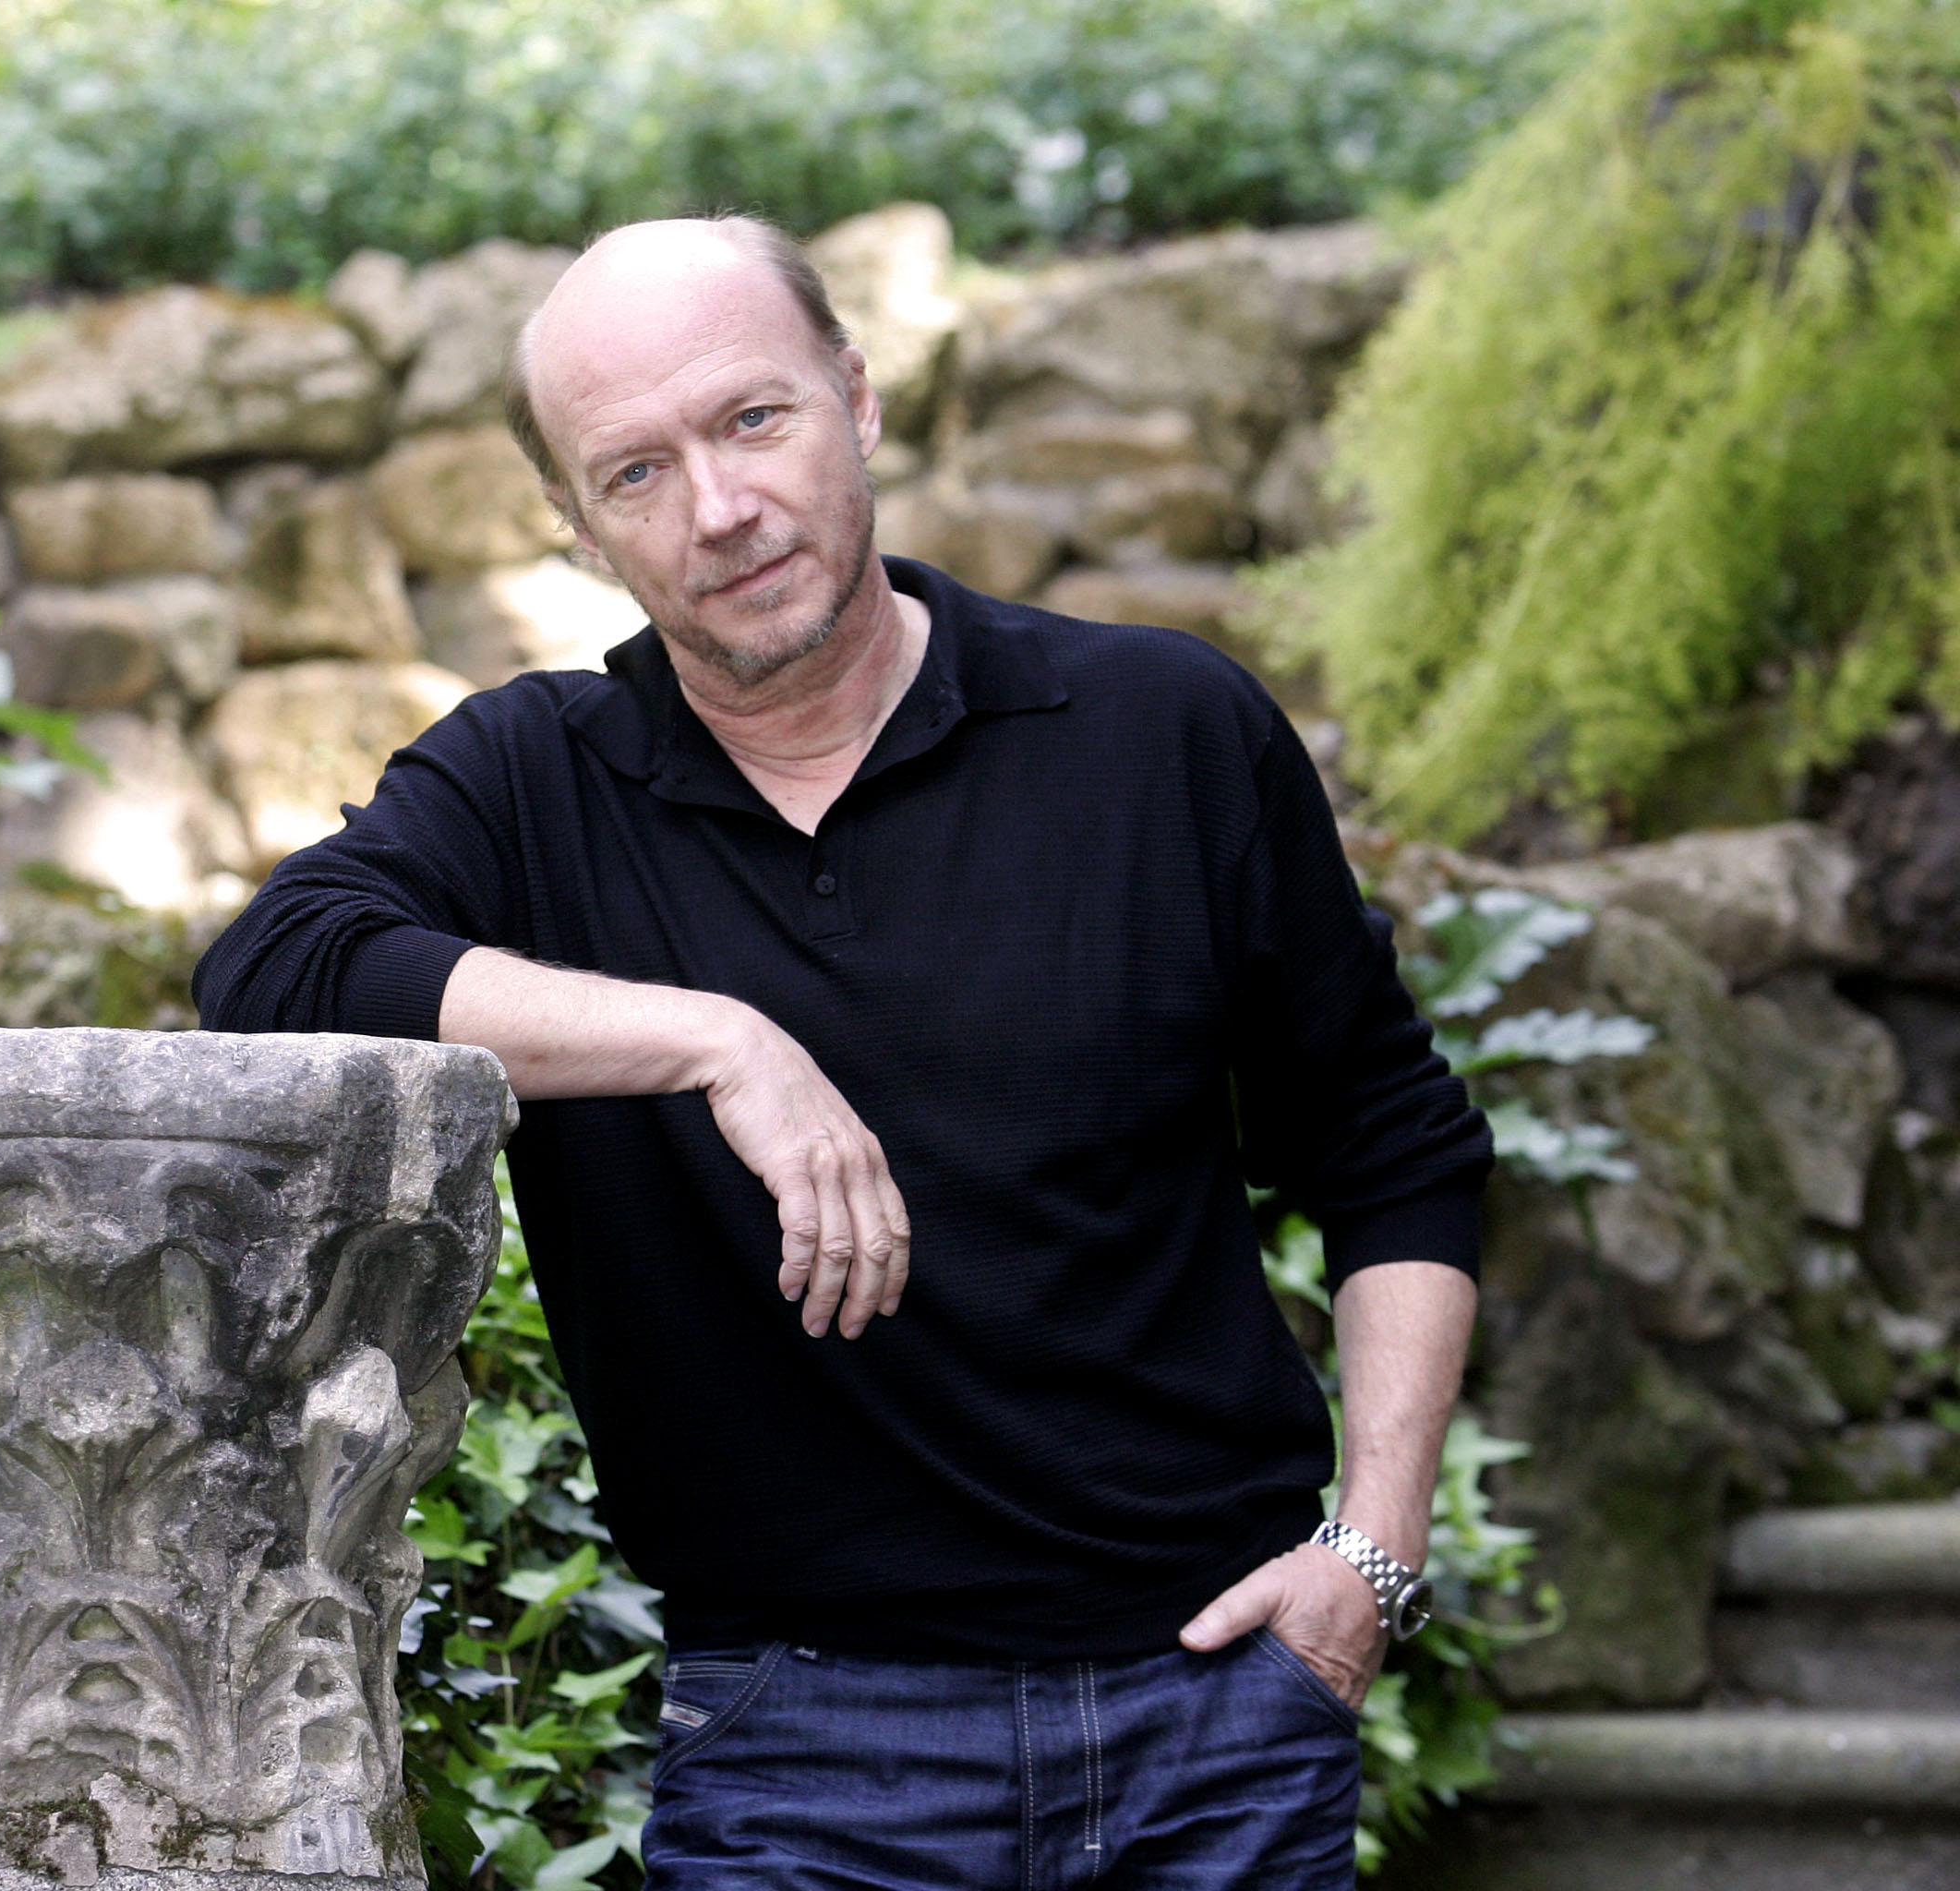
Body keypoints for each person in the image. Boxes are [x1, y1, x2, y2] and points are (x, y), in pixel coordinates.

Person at [193, 212, 1490, 1888]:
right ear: (579, 528)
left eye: (754, 420)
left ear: (857, 402)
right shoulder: (534, 784)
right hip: (805, 1754)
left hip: (1216, 1718)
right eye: (636, 472)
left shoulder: (1161, 733)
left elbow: (1394, 1149)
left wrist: (1373, 1553)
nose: (722, 511)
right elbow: (274, 966)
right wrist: (718, 1043)